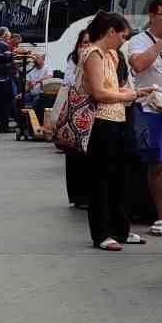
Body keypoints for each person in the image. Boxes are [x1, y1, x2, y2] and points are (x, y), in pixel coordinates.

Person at [82, 12, 157, 250]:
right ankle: (102, 233)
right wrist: (132, 95)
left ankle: (120, 228)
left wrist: (133, 93)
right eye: (122, 35)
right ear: (110, 31)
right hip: (100, 121)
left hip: (118, 119)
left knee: (120, 177)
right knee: (101, 179)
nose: (123, 41)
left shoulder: (113, 55)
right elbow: (99, 93)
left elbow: (117, 87)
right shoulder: (92, 54)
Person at [124, 0, 162, 237]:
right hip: (152, 110)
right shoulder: (137, 41)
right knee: (157, 163)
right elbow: (139, 65)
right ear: (152, 16)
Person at [62, 30, 93, 208]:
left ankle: (86, 194)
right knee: (74, 152)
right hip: (74, 111)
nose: (86, 46)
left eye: (89, 42)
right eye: (83, 43)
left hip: (92, 112)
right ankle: (77, 195)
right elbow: (69, 81)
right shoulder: (73, 59)